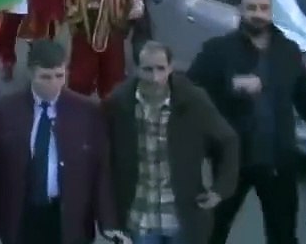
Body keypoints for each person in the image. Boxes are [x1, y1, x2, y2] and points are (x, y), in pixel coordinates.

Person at [187, 0, 306, 244]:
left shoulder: (288, 51)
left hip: (278, 159)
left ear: (271, 10)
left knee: (283, 233)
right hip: (233, 159)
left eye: (263, 8)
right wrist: (229, 86)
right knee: (213, 230)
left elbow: (304, 99)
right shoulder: (218, 50)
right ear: (239, 11)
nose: (257, 14)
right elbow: (190, 92)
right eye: (251, 7)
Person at [0, 40, 127, 244]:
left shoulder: (87, 112)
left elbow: (100, 171)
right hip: (22, 217)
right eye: (45, 77)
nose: (53, 84)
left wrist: (109, 224)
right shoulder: (5, 110)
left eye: (59, 76)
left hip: (68, 220)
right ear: (31, 73)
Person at [102, 41, 240, 244]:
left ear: (171, 67)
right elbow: (102, 156)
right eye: (148, 70)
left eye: (161, 69)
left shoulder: (193, 100)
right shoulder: (119, 104)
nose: (155, 78)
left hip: (181, 215)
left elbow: (228, 140)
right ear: (136, 69)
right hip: (140, 216)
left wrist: (220, 189)